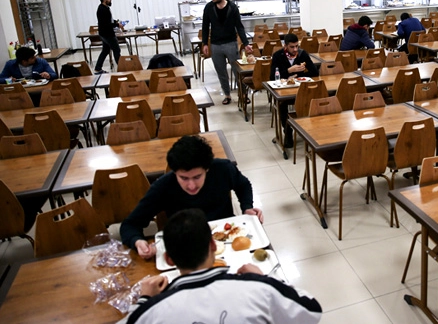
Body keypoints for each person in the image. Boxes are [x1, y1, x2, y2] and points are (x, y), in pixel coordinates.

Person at [116, 209, 322, 324]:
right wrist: (265, 278)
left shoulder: (152, 313)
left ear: (169, 259)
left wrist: (144, 299)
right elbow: (312, 311)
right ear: (214, 245)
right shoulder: (259, 289)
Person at [120, 135, 263, 259]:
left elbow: (243, 185)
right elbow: (129, 225)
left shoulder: (223, 169)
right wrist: (137, 241)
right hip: (186, 248)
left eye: (197, 177)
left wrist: (247, 207)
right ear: (175, 172)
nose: (191, 185)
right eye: (183, 178)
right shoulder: (163, 186)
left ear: (207, 169)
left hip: (228, 241)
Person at [201, 0, 253, 105]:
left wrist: (245, 43)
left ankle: (243, 94)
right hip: (215, 45)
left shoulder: (232, 7)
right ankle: (227, 95)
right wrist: (205, 43)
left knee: (237, 70)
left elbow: (239, 26)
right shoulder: (209, 7)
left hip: (230, 43)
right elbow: (205, 26)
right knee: (221, 72)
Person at [270, 33, 319, 148]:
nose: (295, 49)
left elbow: (315, 73)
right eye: (292, 47)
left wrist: (303, 71)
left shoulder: (302, 54)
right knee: (282, 103)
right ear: (285, 46)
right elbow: (272, 77)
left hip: (302, 90)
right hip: (285, 91)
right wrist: (289, 71)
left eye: (297, 46)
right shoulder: (278, 56)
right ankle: (288, 132)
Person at [94, 0, 124, 75]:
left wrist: (116, 22)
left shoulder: (105, 8)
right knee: (116, 50)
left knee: (105, 50)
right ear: (104, 0)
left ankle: (98, 68)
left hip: (104, 33)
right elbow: (107, 24)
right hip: (107, 34)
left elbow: (109, 20)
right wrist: (117, 25)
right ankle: (121, 68)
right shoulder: (102, 9)